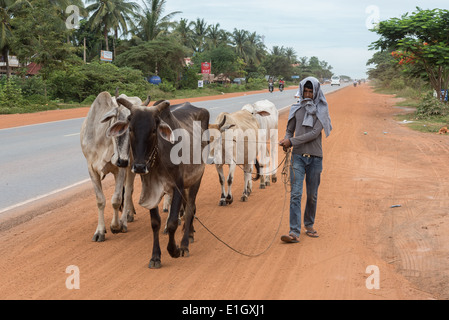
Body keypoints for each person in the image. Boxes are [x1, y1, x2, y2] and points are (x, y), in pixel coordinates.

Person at [278, 76, 332, 243]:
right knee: (295, 194)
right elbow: (289, 130)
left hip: (315, 159)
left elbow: (314, 134)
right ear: (301, 91)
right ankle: (294, 231)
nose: (308, 94)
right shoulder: (295, 109)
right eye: (305, 91)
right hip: (298, 158)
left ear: (316, 92)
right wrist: (286, 141)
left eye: (311, 91)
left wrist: (291, 141)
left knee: (312, 195)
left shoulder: (322, 111)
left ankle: (309, 224)